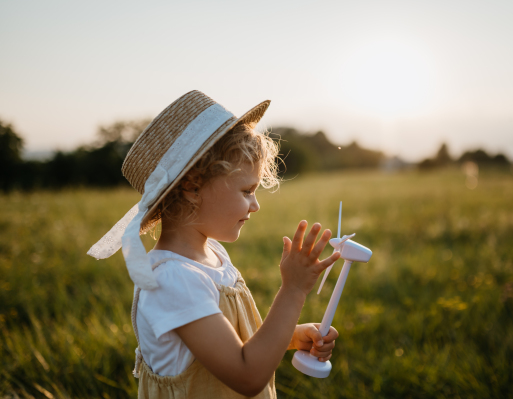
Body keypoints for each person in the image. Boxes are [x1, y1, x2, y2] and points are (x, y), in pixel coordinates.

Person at [88, 90, 341, 398]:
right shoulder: (173, 280)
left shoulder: (212, 255)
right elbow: (247, 376)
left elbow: (234, 343)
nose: (255, 205)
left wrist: (291, 335)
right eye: (247, 190)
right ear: (193, 188)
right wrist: (293, 290)